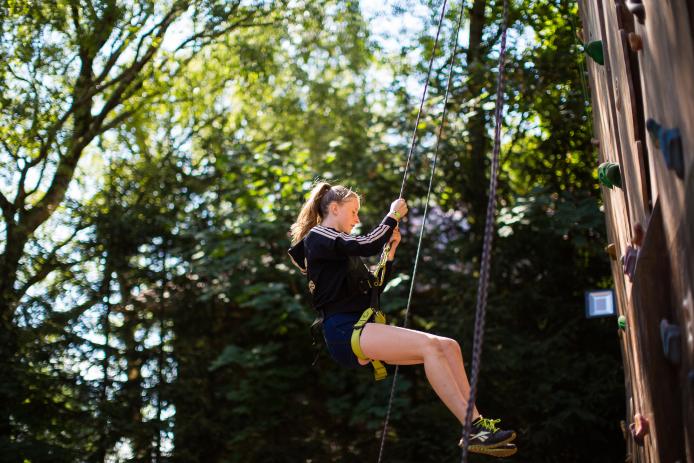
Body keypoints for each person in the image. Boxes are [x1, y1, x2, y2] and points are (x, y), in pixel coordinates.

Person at [288, 182, 517, 456]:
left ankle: (477, 426)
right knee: (431, 347)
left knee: (449, 346)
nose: (357, 219)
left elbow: (374, 287)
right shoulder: (319, 236)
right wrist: (392, 215)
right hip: (343, 330)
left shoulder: (340, 251)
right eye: (354, 211)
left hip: (359, 327)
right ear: (334, 209)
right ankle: (470, 429)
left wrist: (390, 252)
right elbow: (367, 243)